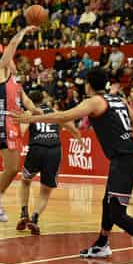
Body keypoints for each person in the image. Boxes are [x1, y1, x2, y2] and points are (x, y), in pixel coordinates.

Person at [14, 67, 133, 264]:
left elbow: (63, 116)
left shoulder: (94, 102)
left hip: (125, 160)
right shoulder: (119, 100)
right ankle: (102, 244)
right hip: (127, 157)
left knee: (117, 213)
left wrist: (30, 119)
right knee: (107, 203)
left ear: (89, 85)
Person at [0, 25, 43, 223]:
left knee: (14, 167)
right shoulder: (0, 71)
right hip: (2, 119)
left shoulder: (16, 84)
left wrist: (41, 113)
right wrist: (24, 31)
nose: (15, 63)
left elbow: (27, 103)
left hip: (14, 121)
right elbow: (11, 48)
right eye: (13, 59)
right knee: (12, 167)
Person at [16, 90, 83, 235]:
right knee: (45, 191)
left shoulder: (30, 113)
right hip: (54, 151)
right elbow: (73, 129)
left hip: (36, 149)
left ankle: (23, 213)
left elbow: (20, 132)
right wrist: (79, 139)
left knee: (25, 180)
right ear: (44, 98)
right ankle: (34, 218)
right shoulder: (54, 111)